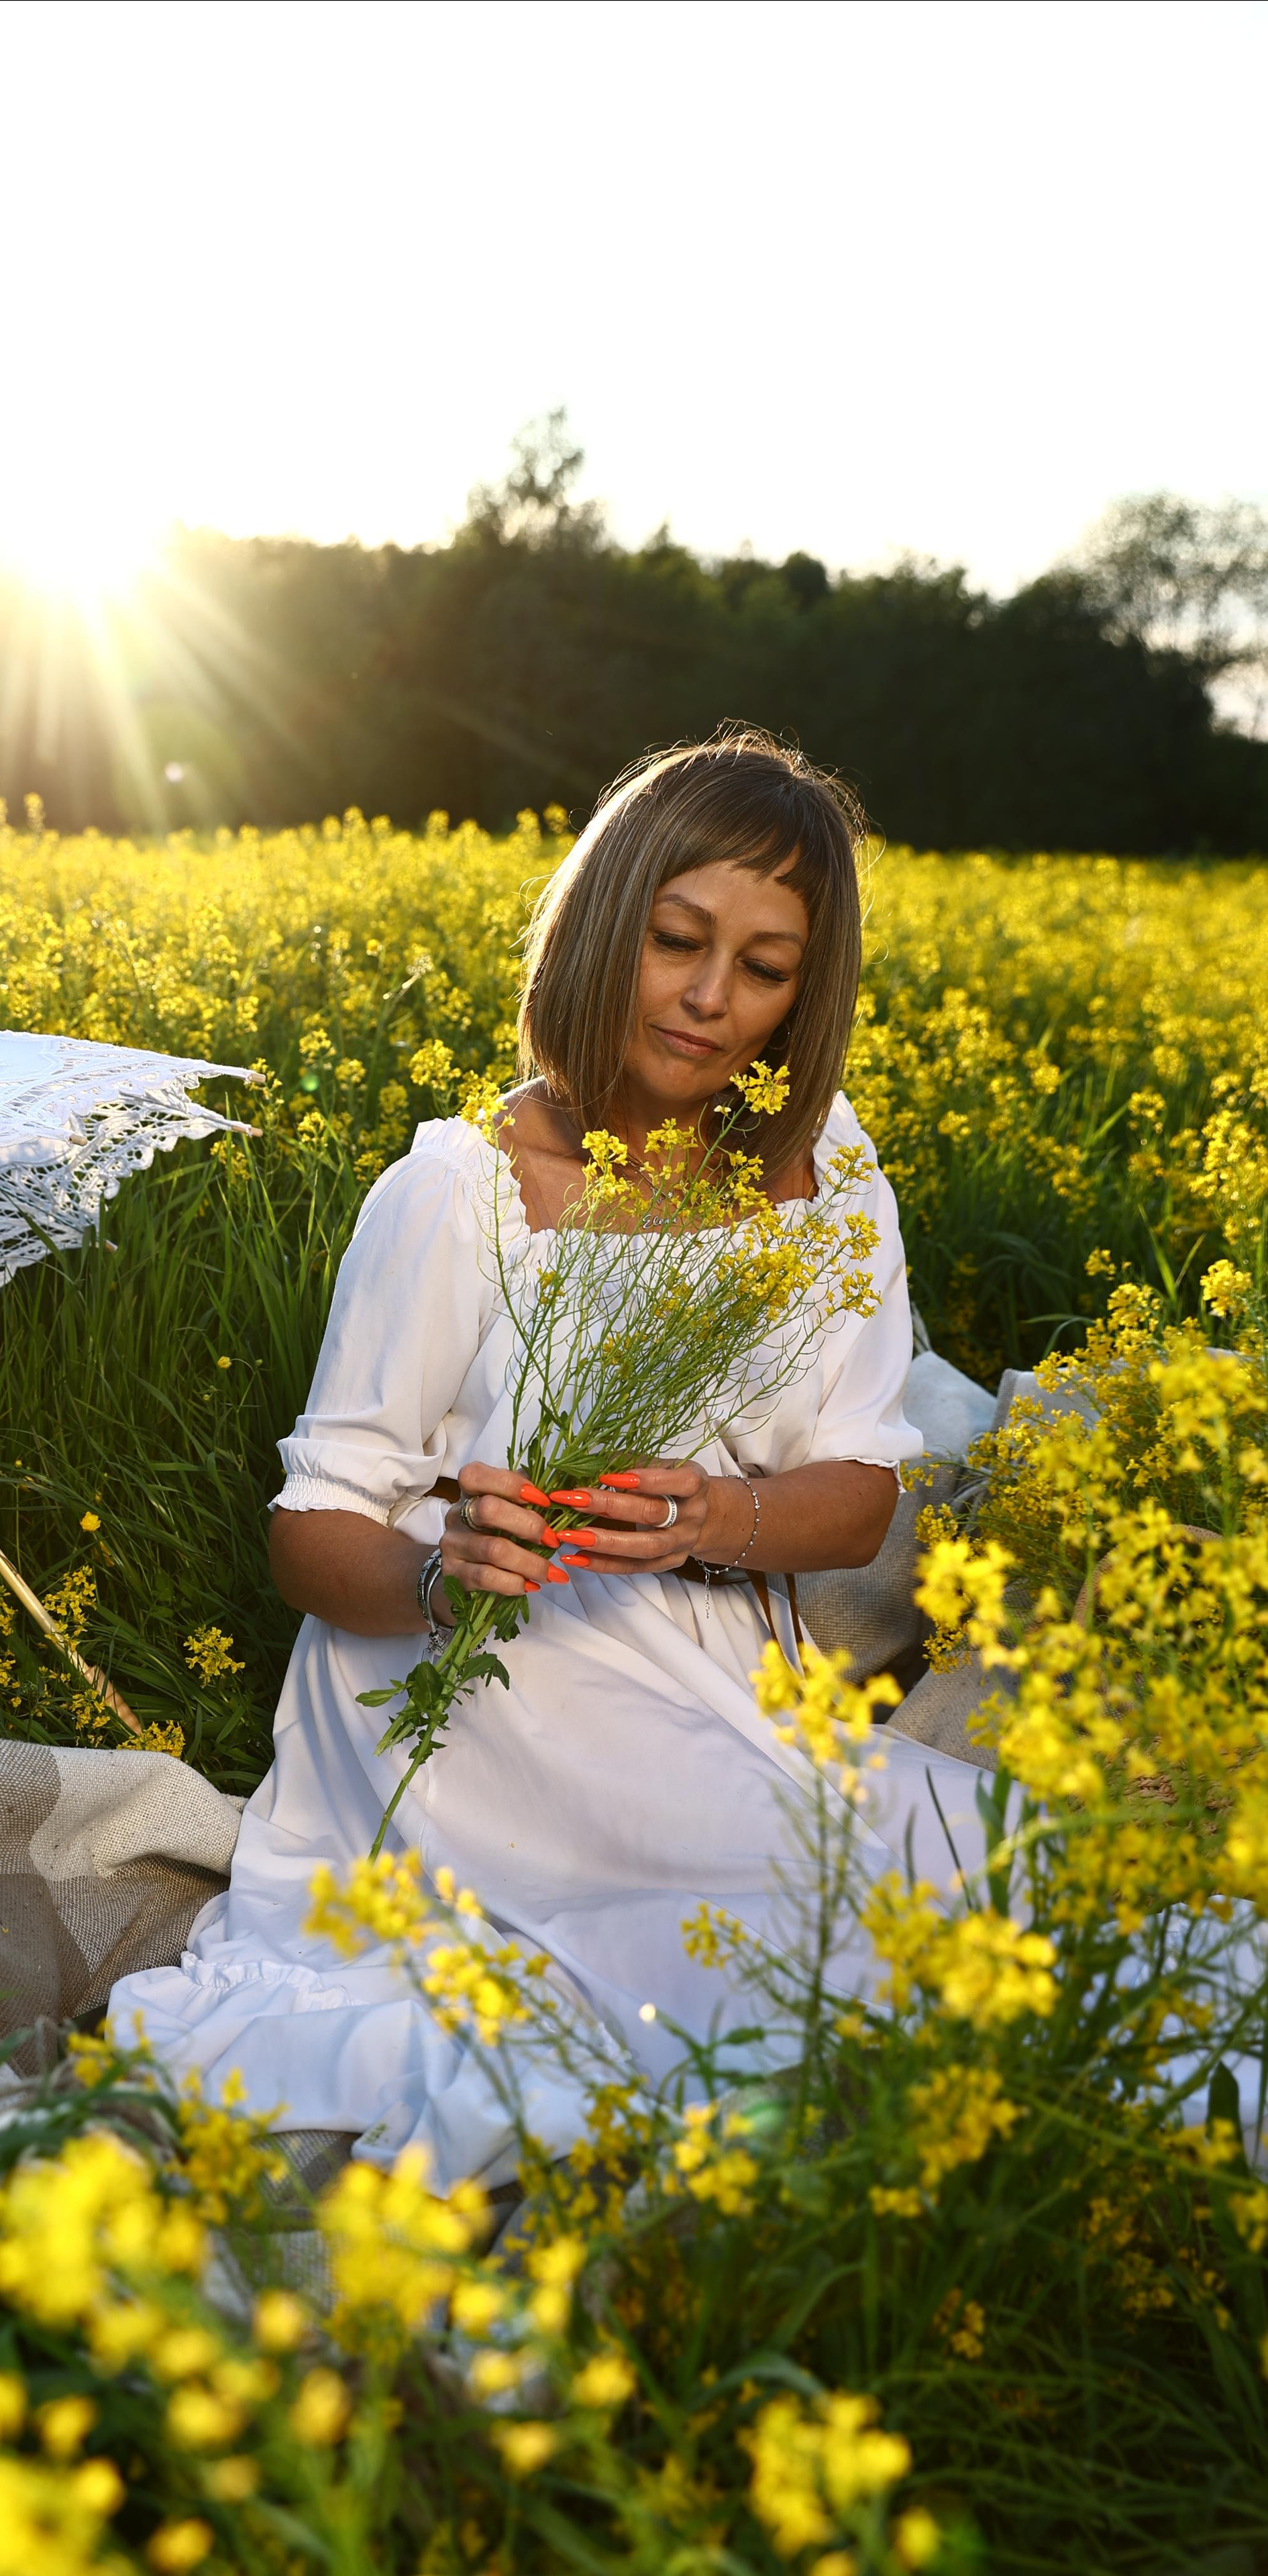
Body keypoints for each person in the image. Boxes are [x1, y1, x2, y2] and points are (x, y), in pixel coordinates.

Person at [109, 734, 990, 2187]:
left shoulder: (825, 1176)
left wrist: (719, 1513)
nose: (713, 1000)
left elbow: (858, 1501)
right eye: (675, 941)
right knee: (790, 1971)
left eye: (765, 968)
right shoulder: (457, 1191)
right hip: (479, 1693)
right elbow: (314, 1528)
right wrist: (447, 1579)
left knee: (983, 1895)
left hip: (720, 1676)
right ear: (602, 925)